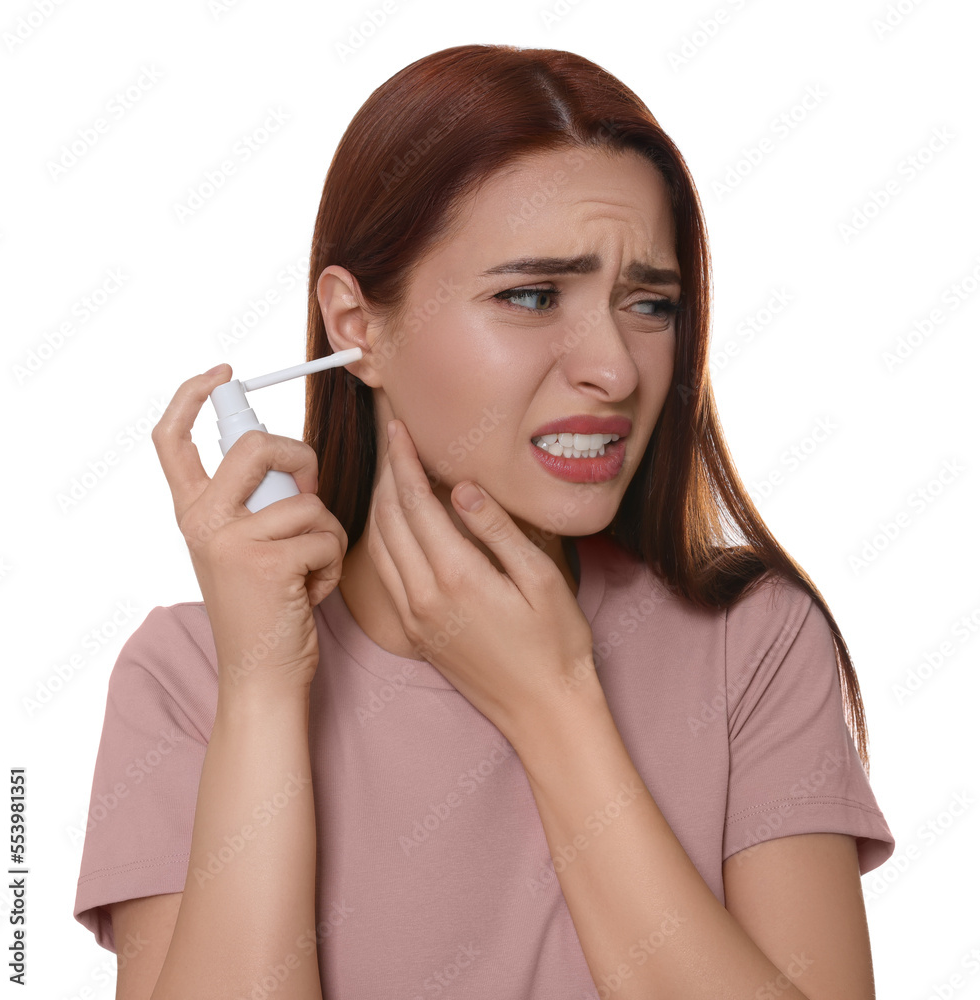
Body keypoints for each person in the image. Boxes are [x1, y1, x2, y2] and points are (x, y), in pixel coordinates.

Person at [73, 43, 895, 999]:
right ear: (355, 326)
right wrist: (261, 690)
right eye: (531, 296)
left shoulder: (749, 644)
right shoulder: (191, 679)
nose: (614, 370)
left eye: (648, 304)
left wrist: (551, 703)